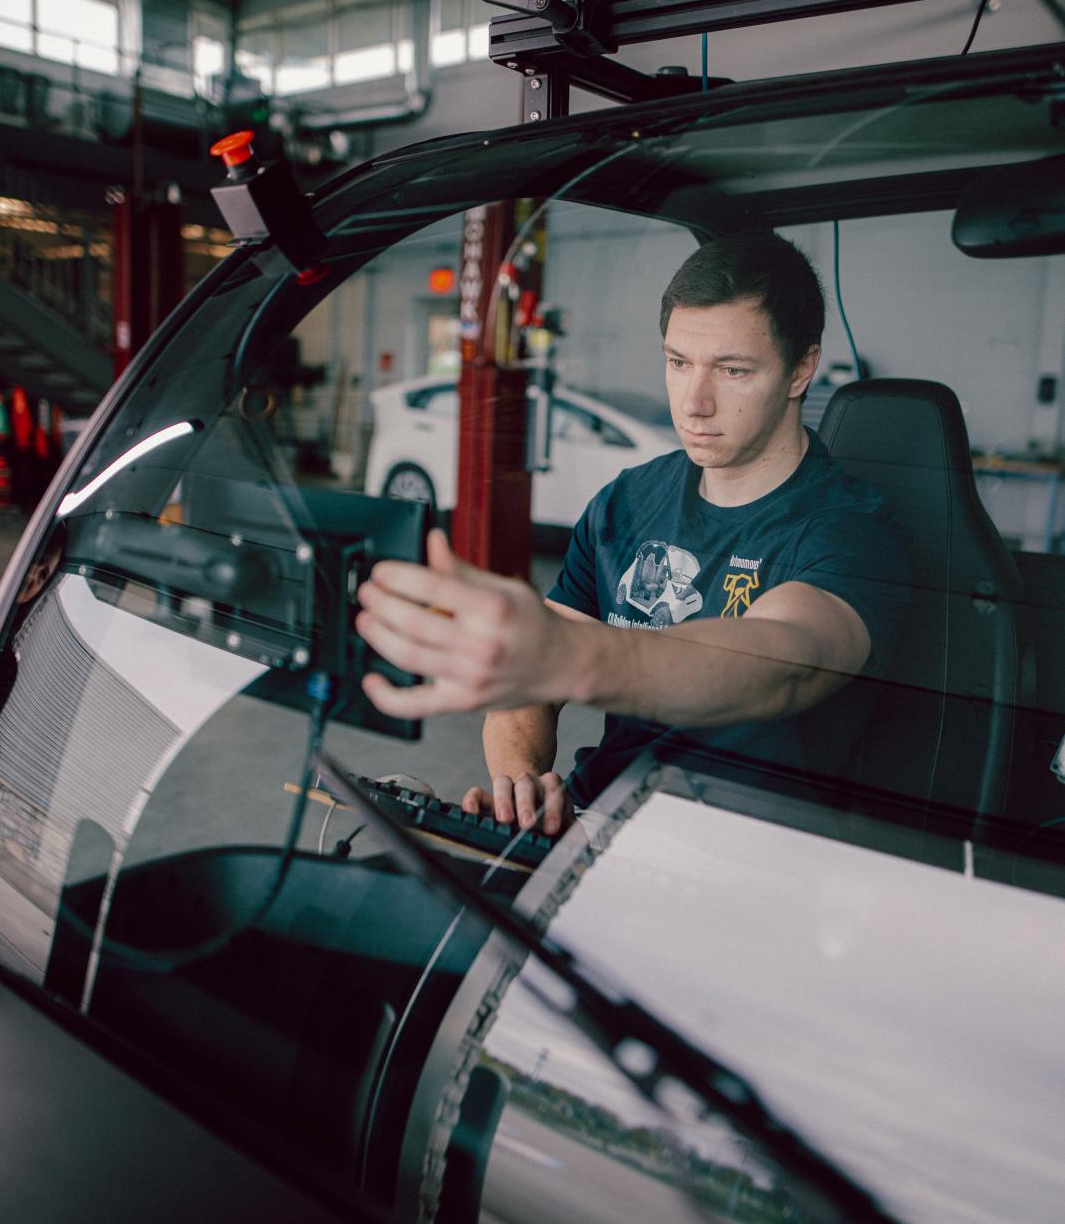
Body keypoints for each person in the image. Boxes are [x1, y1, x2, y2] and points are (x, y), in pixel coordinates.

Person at [356, 230, 909, 835]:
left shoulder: (848, 528)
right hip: (601, 822)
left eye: (732, 370)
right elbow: (533, 685)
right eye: (678, 363)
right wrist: (520, 779)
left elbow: (786, 661)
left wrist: (571, 656)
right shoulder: (627, 500)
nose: (694, 403)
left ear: (802, 368)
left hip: (747, 852)